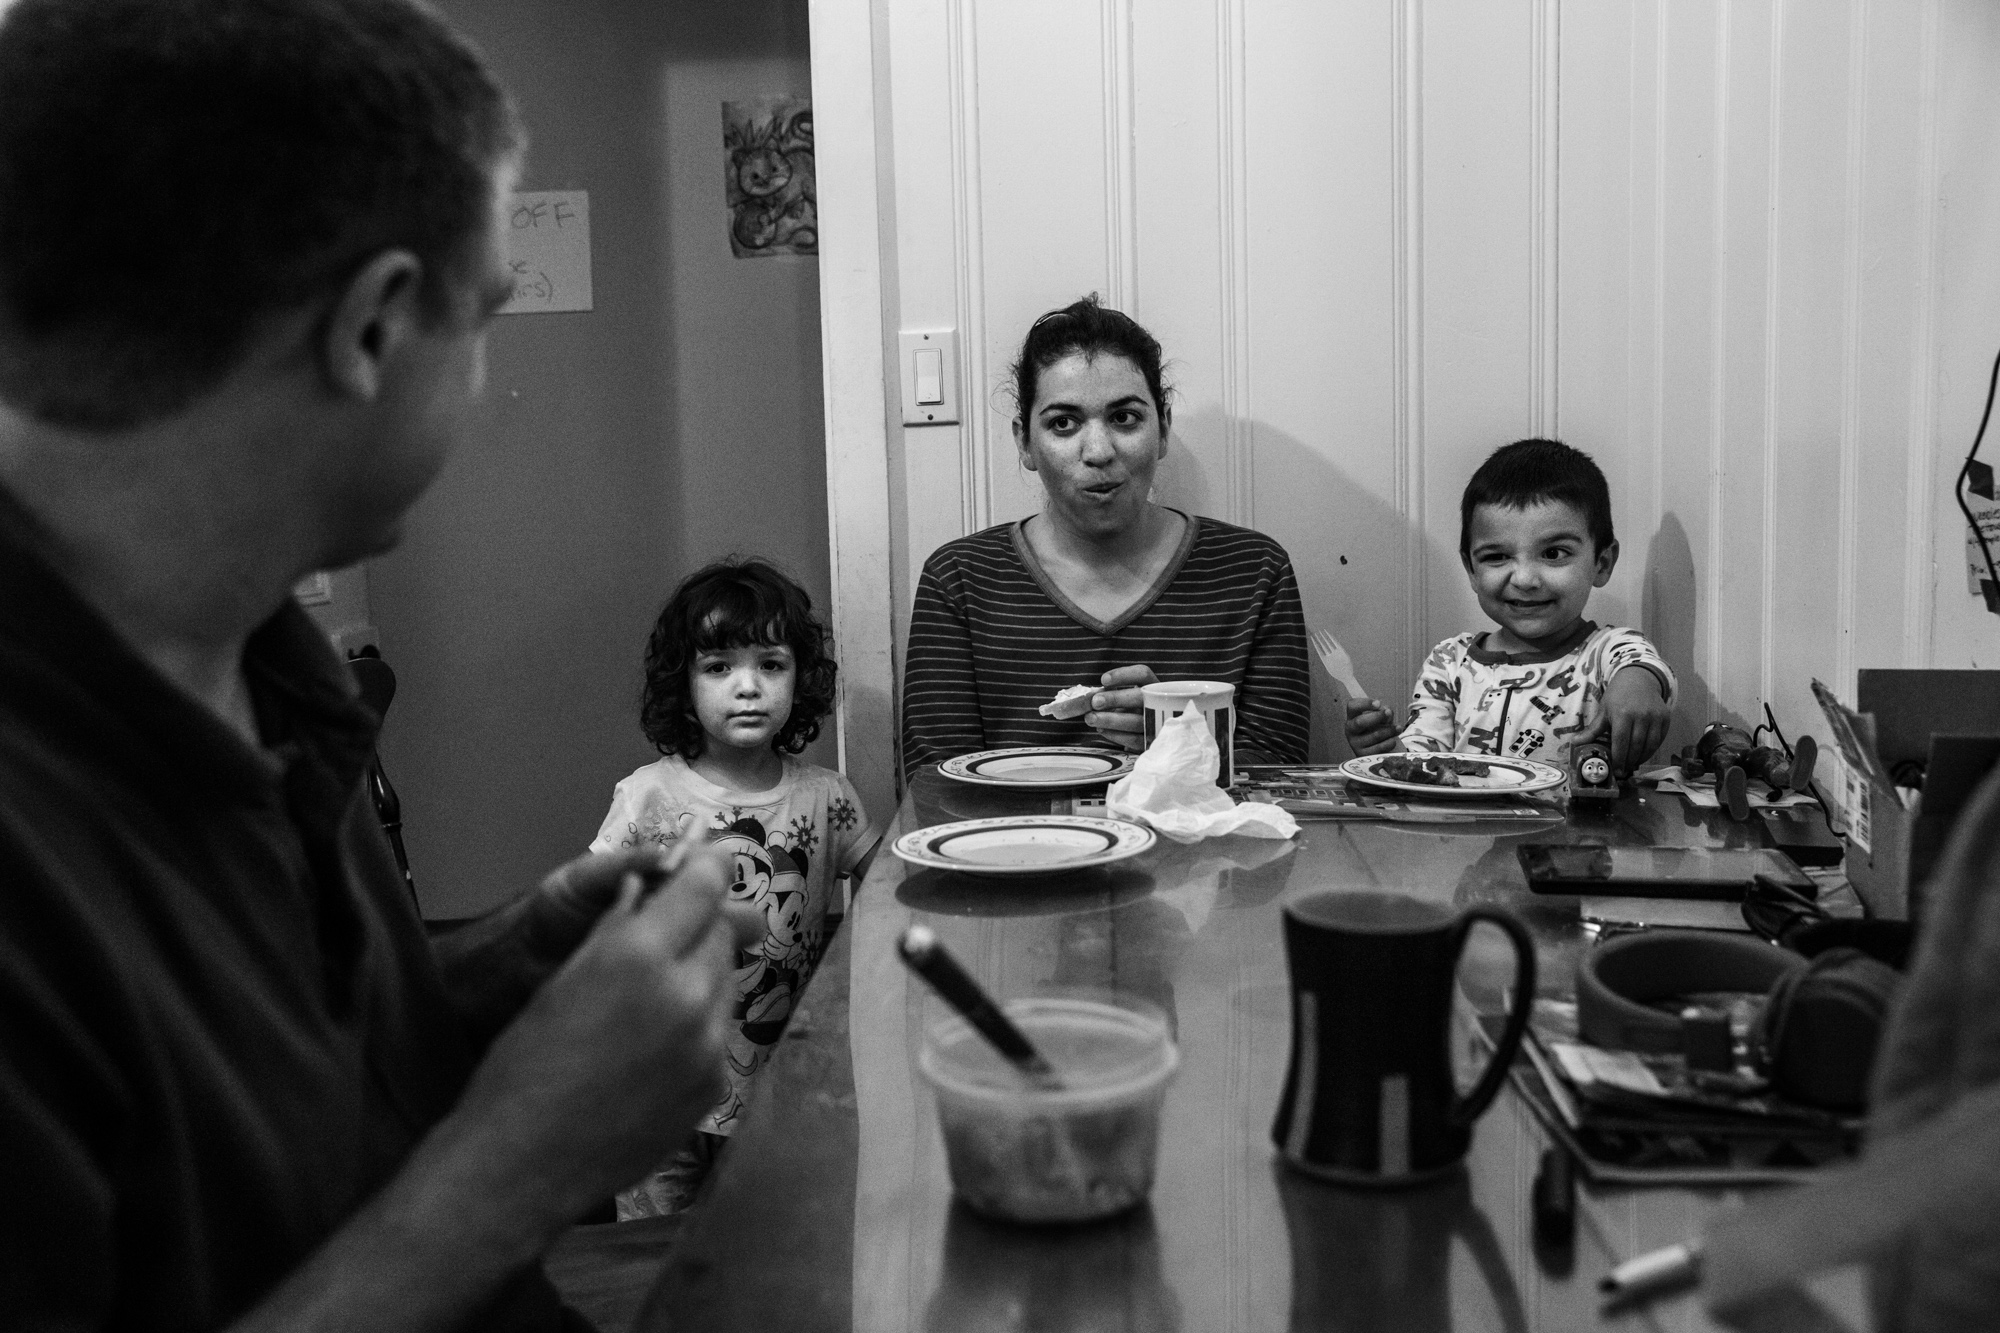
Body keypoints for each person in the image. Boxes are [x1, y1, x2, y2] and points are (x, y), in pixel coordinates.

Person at [0, 2, 755, 1329]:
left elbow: (257, 1126)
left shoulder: (268, 660)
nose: (483, 372)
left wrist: (473, 991)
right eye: (485, 318)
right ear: (370, 331)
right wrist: (520, 1161)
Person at [900, 296, 1312, 782]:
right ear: (1024, 443)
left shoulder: (1253, 571)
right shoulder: (961, 579)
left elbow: (1282, 770)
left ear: (1162, 430)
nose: (1097, 451)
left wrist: (1180, 737)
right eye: (1063, 423)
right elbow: (936, 782)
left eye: (1124, 418)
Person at [590, 559, 878, 1216]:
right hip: (660, 1090)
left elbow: (890, 892)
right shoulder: (646, 798)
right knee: (656, 1260)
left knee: (767, 1243)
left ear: (800, 678)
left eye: (771, 665)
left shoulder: (826, 797)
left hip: (784, 1086)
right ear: (683, 683)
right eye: (719, 667)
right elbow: (589, 913)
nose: (747, 686)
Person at [1344, 439, 1675, 775]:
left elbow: (1641, 666)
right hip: (1467, 827)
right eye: (1497, 557)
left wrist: (1637, 686)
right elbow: (1423, 765)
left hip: (1584, 828)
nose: (1525, 579)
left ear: (1601, 564)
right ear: (1472, 570)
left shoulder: (1607, 651)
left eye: (1553, 554)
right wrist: (1385, 750)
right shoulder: (1448, 663)